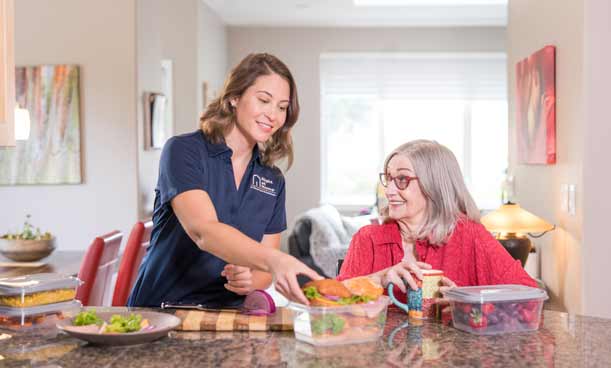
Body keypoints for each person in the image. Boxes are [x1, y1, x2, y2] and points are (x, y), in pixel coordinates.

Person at [128, 53, 321, 308]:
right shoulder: (184, 151)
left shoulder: (272, 180)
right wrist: (276, 261)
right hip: (161, 312)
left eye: (282, 107)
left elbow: (263, 272)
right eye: (264, 100)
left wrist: (249, 280)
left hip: (226, 318)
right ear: (234, 97)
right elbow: (203, 231)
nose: (273, 115)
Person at [337, 140, 537, 303]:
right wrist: (378, 279)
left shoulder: (470, 235)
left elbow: (528, 295)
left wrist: (466, 303)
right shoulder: (368, 239)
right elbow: (331, 301)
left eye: (402, 179)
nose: (389, 190)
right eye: (389, 178)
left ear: (434, 185)